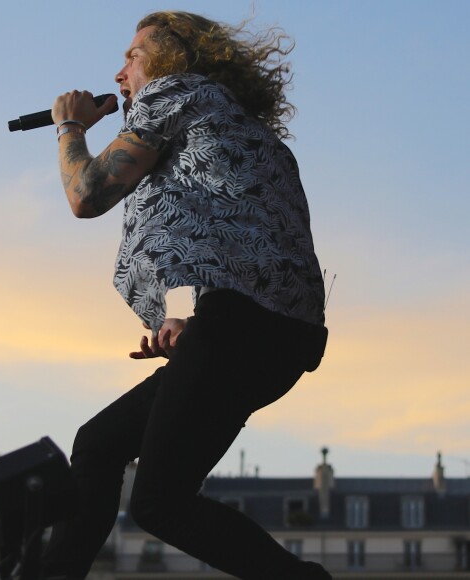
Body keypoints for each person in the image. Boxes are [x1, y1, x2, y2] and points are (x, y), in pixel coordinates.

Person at [44, 10, 331, 580]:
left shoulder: (176, 93)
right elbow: (249, 240)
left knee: (159, 503)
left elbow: (87, 193)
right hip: (272, 335)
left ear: (174, 58)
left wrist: (69, 126)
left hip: (244, 328)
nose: (120, 72)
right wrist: (202, 322)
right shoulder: (244, 127)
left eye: (133, 55)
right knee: (99, 444)